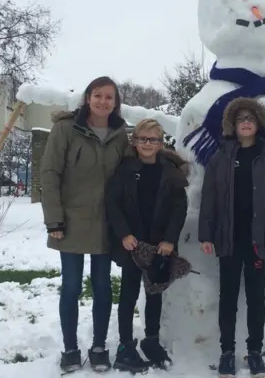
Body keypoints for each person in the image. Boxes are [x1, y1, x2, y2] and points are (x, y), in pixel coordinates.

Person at [40, 76, 130, 373]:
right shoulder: (66, 129)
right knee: (71, 287)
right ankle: (69, 348)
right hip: (71, 221)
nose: (103, 101)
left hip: (106, 223)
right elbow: (50, 174)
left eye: (109, 97)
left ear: (116, 103)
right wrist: (54, 219)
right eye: (98, 95)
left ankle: (100, 346)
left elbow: (134, 170)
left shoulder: (120, 134)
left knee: (103, 287)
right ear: (87, 98)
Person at [199, 97, 265, 378]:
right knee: (227, 296)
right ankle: (227, 352)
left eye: (251, 118)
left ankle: (254, 353)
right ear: (232, 125)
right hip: (227, 239)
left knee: (255, 298)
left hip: (258, 241)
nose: (246, 122)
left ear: (260, 123)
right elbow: (209, 200)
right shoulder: (220, 158)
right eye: (241, 119)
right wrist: (206, 234)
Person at [106, 119, 188, 373]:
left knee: (154, 293)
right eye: (142, 139)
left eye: (153, 140)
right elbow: (112, 204)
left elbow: (178, 208)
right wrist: (124, 234)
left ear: (161, 143)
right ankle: (125, 346)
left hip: (158, 245)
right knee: (129, 294)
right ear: (135, 141)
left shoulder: (170, 171)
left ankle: (151, 340)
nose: (147, 144)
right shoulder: (125, 169)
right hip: (132, 244)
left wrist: (170, 239)